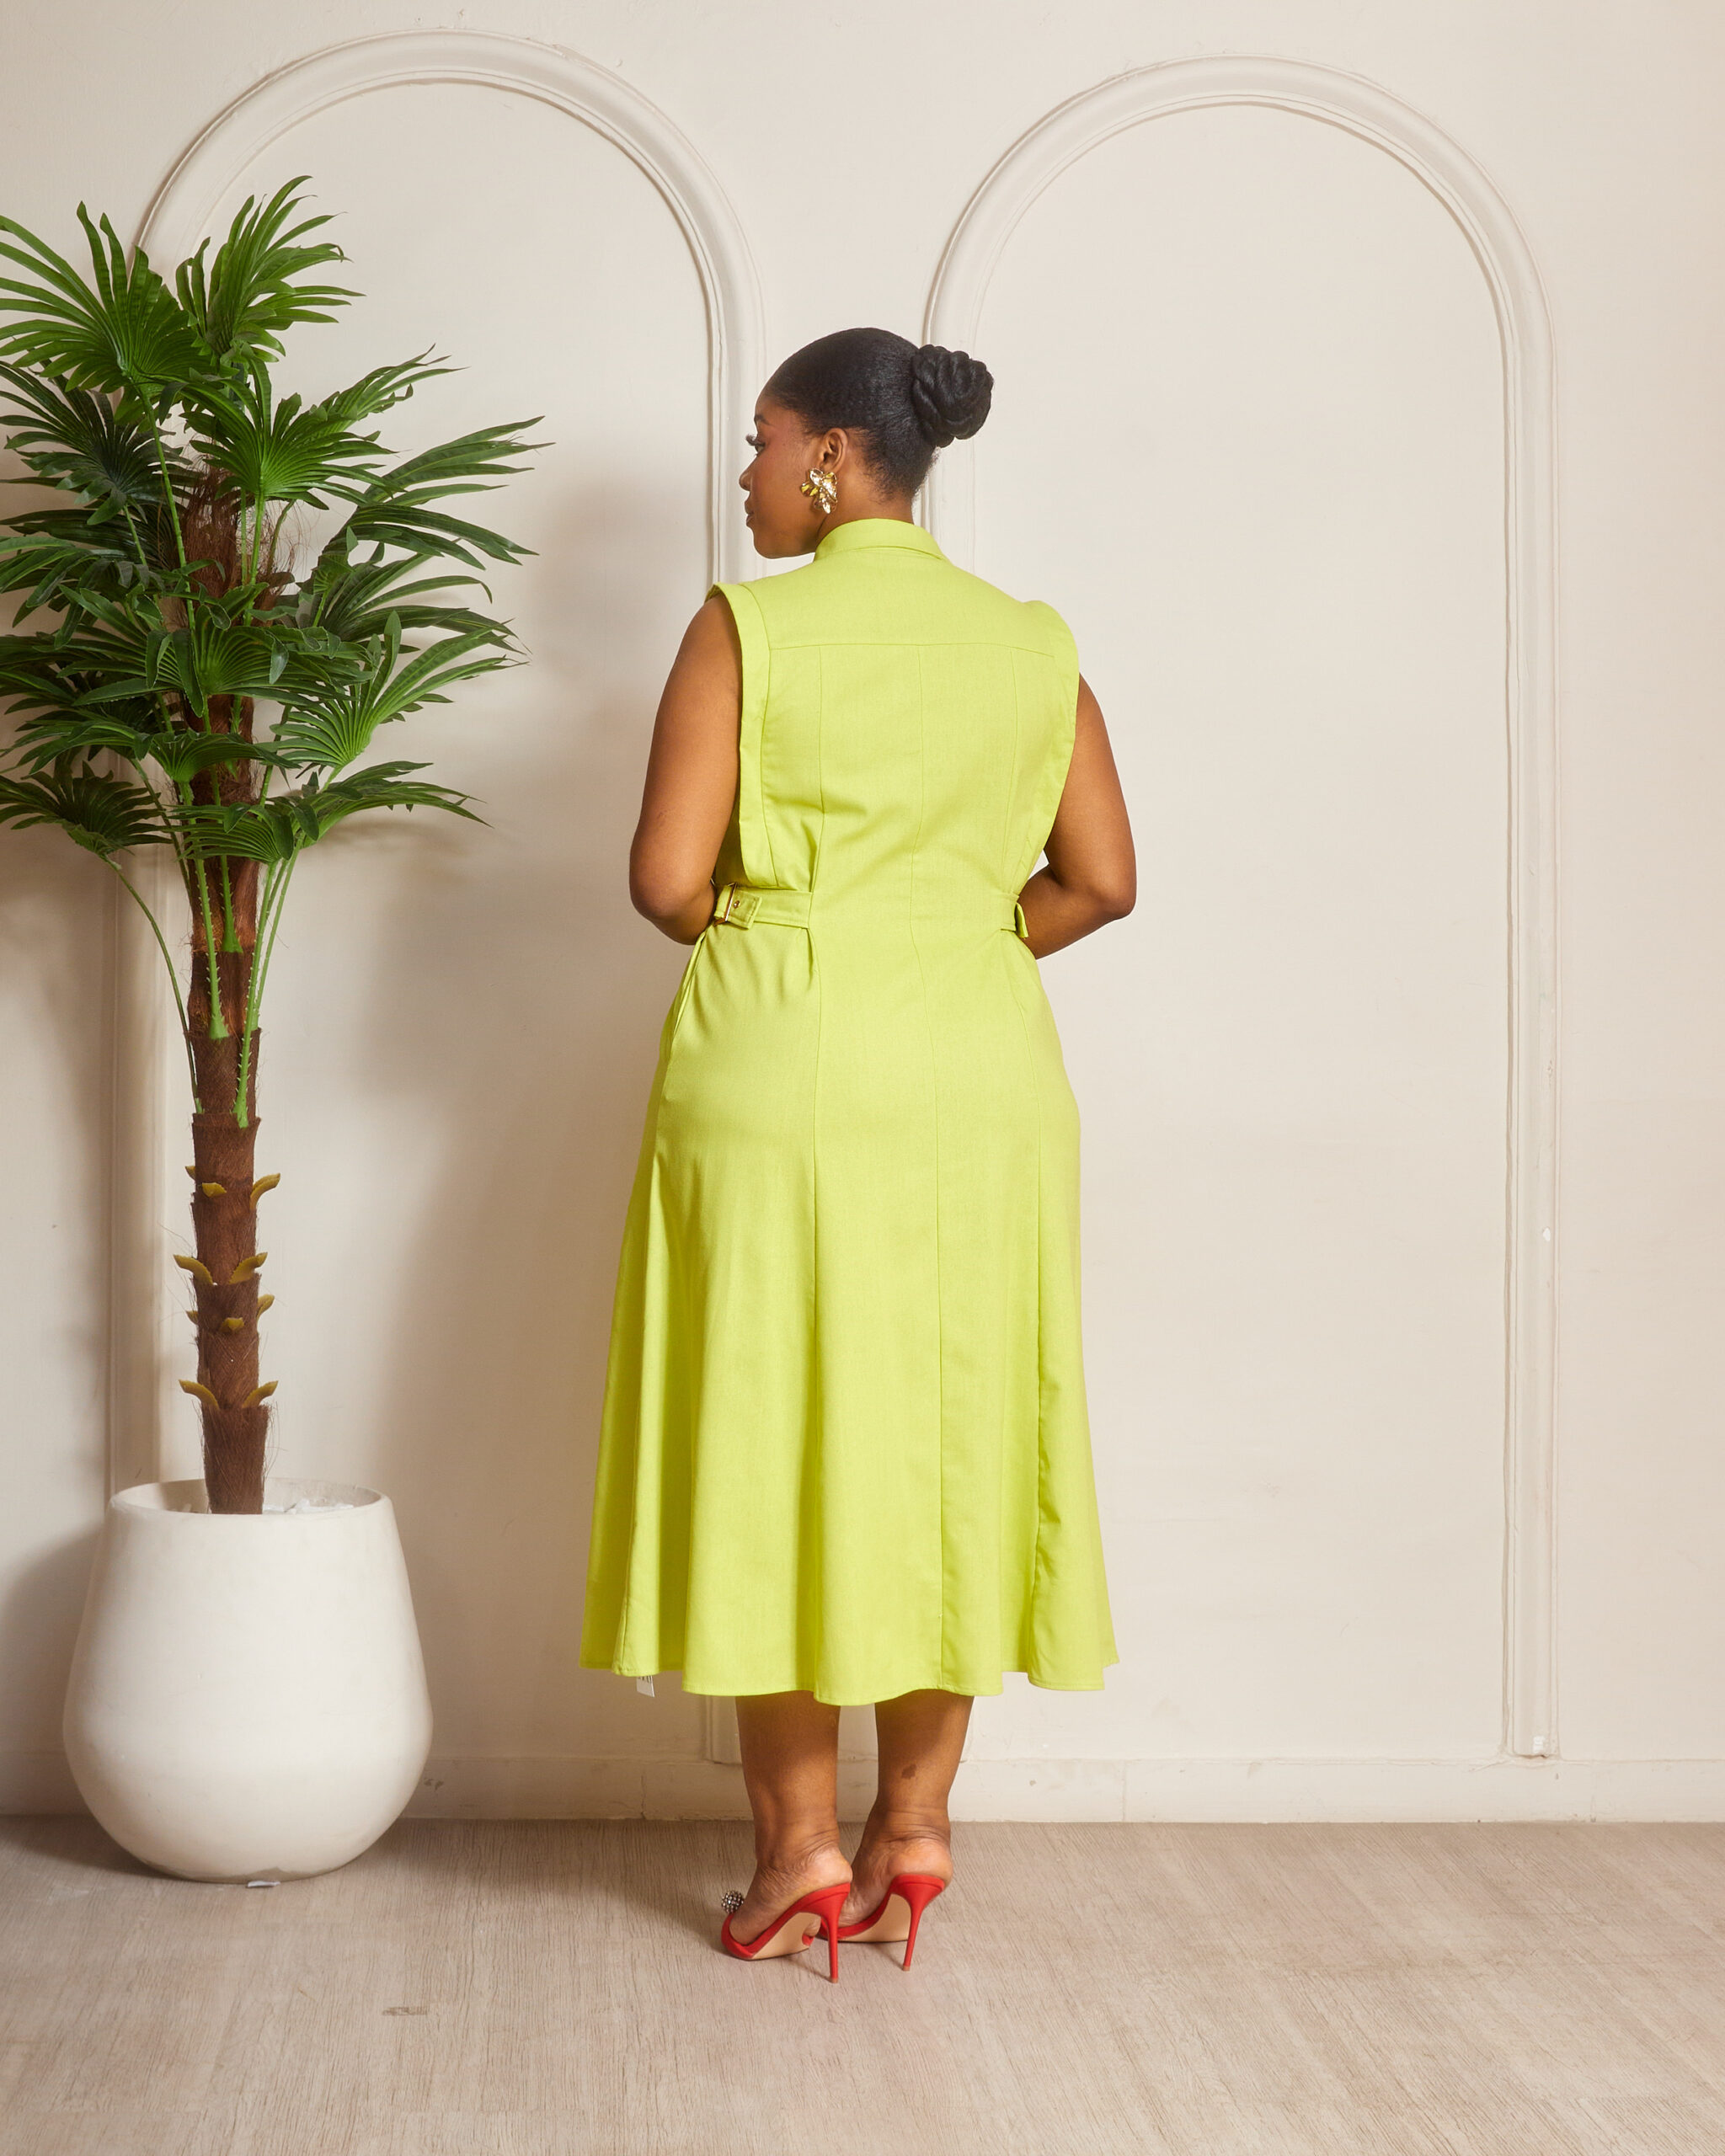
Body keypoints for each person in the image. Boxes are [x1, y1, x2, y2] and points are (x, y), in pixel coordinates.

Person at [579, 327, 1135, 1979]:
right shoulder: (1031, 644)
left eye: (762, 441)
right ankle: (915, 1831)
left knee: (773, 1435)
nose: (746, 473)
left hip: (783, 1068)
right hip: (980, 1077)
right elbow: (1102, 879)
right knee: (950, 1430)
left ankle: (796, 1857)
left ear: (831, 458)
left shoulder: (745, 626)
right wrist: (952, 939)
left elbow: (666, 880)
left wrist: (803, 935)